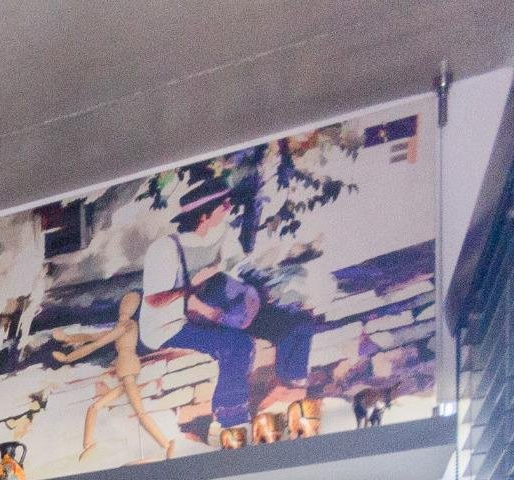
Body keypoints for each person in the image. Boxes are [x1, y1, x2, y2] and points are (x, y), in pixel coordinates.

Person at [139, 169, 320, 438]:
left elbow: (238, 266)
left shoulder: (222, 232)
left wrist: (267, 286)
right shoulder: (165, 249)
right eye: (222, 205)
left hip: (220, 307)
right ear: (203, 215)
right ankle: (230, 419)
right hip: (172, 324)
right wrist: (192, 287)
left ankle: (288, 388)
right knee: (237, 345)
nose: (228, 208)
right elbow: (154, 299)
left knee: (297, 322)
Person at [50, 291, 180, 460]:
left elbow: (96, 343)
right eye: (124, 303)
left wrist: (68, 358)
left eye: (129, 303)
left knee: (140, 412)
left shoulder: (128, 325)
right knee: (95, 407)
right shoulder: (121, 326)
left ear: (133, 308)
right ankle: (88, 444)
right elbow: (92, 337)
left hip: (128, 370)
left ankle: (166, 444)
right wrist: (68, 338)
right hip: (124, 372)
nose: (124, 307)